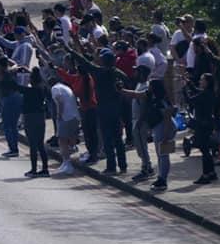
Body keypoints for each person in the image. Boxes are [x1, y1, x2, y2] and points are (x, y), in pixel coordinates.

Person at [69, 44, 128, 174]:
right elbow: (128, 85)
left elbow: (83, 61)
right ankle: (123, 166)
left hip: (103, 110)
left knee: (107, 139)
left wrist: (70, 49)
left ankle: (111, 167)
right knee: (118, 139)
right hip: (116, 110)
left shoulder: (98, 72)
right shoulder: (119, 74)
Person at [119, 63, 155, 182]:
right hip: (136, 119)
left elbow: (144, 104)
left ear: (142, 73)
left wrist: (140, 121)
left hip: (140, 121)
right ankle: (146, 166)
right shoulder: (139, 84)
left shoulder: (146, 86)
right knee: (139, 147)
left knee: (142, 147)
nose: (134, 73)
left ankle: (147, 168)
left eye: (137, 71)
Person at [187, 72, 219, 184]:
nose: (200, 81)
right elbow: (197, 91)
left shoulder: (205, 94)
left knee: (204, 150)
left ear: (207, 82)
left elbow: (190, 100)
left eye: (202, 80)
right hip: (208, 123)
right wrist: (188, 83)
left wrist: (183, 90)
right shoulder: (209, 92)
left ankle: (206, 174)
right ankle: (211, 173)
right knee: (206, 150)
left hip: (202, 124)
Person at [19, 68, 50, 176]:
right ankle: (45, 169)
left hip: (30, 118)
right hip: (40, 117)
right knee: (40, 144)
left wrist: (12, 70)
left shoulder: (28, 91)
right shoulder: (42, 89)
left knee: (32, 144)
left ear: (31, 80)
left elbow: (12, 86)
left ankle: (34, 170)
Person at [49, 76, 80, 176]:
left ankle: (67, 164)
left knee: (61, 140)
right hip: (74, 116)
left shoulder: (55, 89)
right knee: (70, 139)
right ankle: (65, 163)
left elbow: (60, 102)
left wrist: (59, 116)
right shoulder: (65, 87)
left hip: (66, 117)